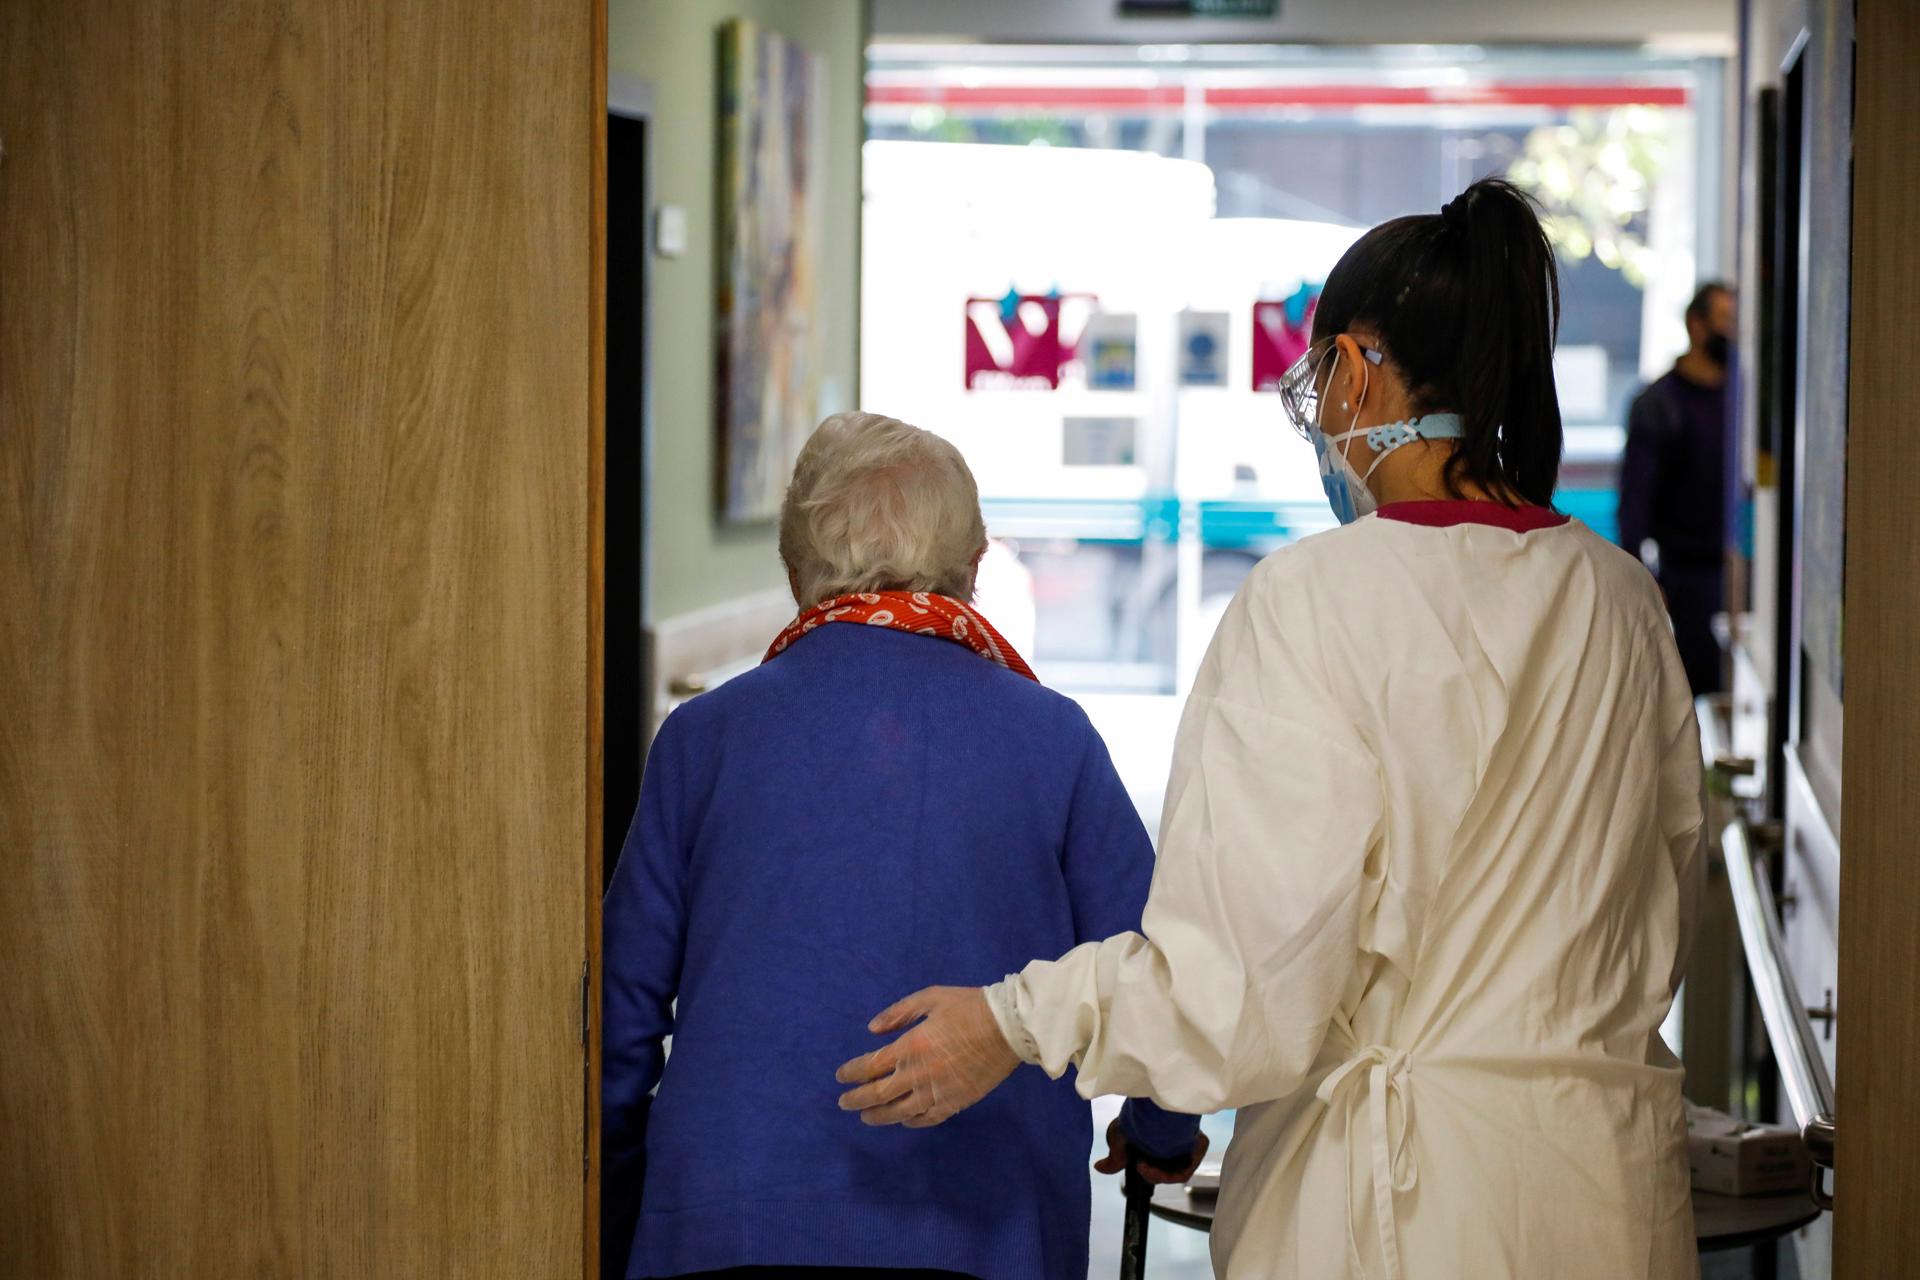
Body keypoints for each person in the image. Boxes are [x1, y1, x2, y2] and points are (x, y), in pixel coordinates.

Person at [836, 182, 1705, 1280]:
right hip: (1605, 1192)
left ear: (1356, 370)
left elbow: (1240, 990)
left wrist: (1012, 1021)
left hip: (1405, 1214)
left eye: (1318, 378)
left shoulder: (1316, 599)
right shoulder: (1621, 600)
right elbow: (1664, 899)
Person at [601, 412, 1204, 1280]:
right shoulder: (1054, 740)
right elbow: (1158, 975)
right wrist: (1159, 1137)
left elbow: (618, 1020)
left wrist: (618, 1213)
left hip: (724, 1227)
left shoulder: (703, 740)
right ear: (974, 567)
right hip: (989, 1236)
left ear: (795, 568)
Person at [1618, 282, 1736, 695]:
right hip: (1687, 578)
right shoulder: (1659, 405)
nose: (1734, 332)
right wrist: (1643, 581)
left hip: (1743, 574)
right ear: (1696, 326)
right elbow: (1634, 503)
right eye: (1725, 320)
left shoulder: (1745, 400)